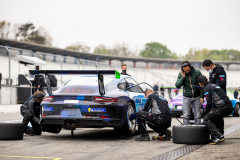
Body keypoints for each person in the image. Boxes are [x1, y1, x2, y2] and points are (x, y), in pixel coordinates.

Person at [198, 75, 233, 145]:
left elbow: (209, 103)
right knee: (216, 116)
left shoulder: (206, 88)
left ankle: (218, 136)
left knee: (206, 118)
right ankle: (221, 134)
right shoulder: (213, 85)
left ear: (200, 84)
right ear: (207, 79)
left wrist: (204, 113)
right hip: (229, 106)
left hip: (222, 107)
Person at [202, 59, 227, 136]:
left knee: (219, 116)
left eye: (207, 69)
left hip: (219, 97)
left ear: (211, 65)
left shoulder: (220, 71)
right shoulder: (212, 72)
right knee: (214, 116)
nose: (207, 71)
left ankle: (221, 133)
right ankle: (216, 133)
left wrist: (212, 87)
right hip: (213, 97)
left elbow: (222, 83)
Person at [175, 60, 203, 125]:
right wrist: (183, 77)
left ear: (190, 67)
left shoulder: (197, 73)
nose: (187, 72)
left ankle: (197, 131)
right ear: (182, 69)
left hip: (197, 97)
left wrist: (202, 96)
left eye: (188, 70)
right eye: (185, 71)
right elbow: (177, 86)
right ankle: (186, 132)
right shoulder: (181, 74)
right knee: (186, 116)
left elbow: (202, 85)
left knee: (197, 116)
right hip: (186, 97)